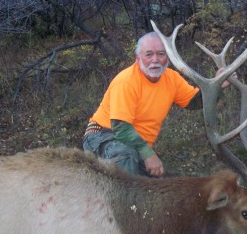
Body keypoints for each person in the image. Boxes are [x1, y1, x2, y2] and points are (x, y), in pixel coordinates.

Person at [83, 31, 231, 177]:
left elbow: (194, 101)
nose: (155, 60)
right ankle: (125, 202)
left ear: (168, 57)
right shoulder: (126, 82)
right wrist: (148, 154)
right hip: (103, 136)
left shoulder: (171, 78)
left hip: (135, 145)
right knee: (126, 158)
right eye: (149, 54)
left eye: (161, 54)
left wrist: (217, 86)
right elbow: (120, 128)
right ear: (137, 58)